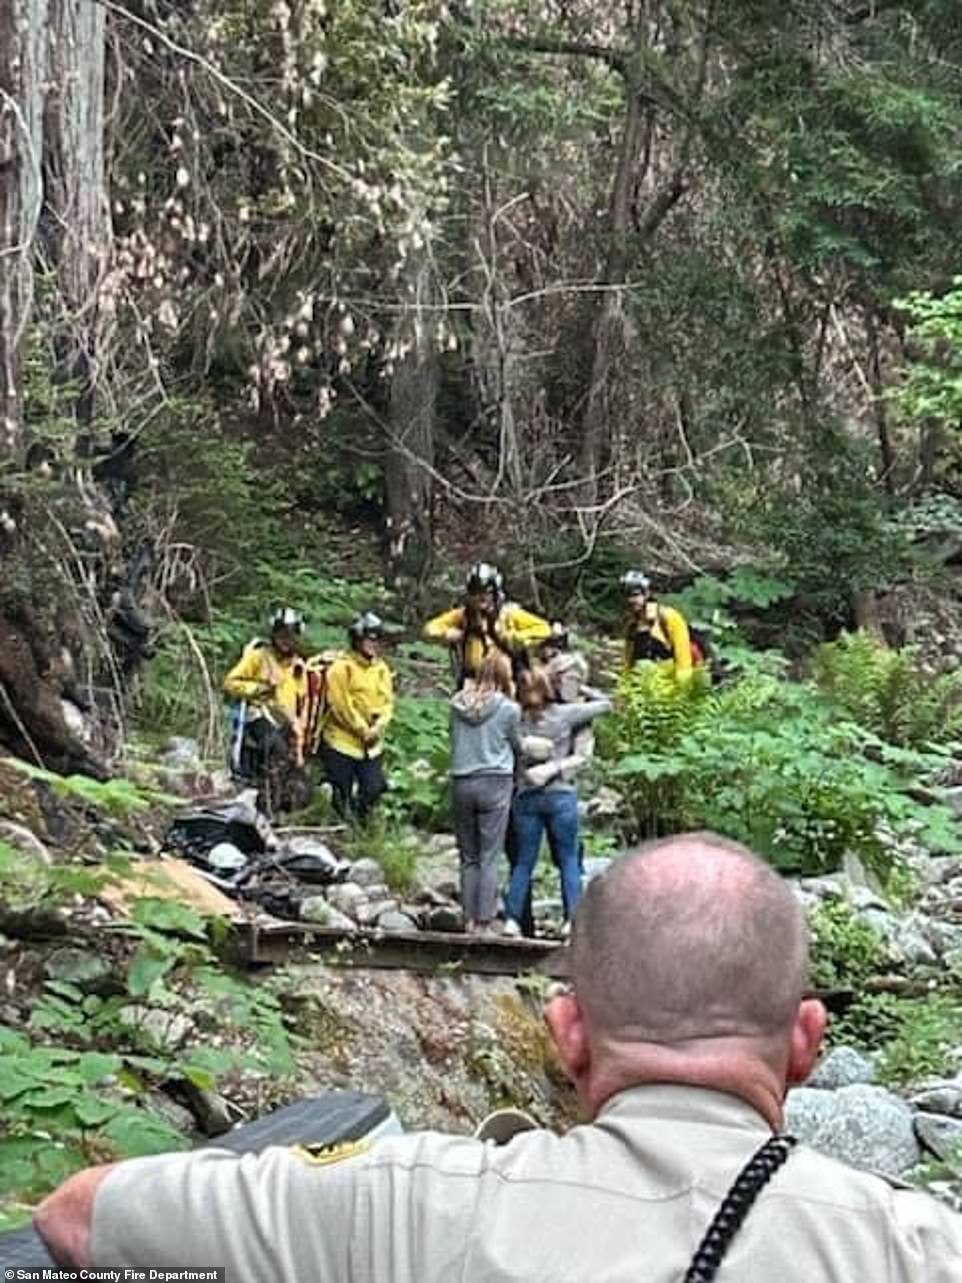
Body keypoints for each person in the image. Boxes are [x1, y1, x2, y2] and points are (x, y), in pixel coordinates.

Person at [35, 832, 962, 1280]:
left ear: (568, 1034)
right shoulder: (916, 1246)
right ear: (806, 1044)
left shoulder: (400, 1198)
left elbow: (77, 1217)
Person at [503, 666, 610, 937]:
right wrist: (581, 688)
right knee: (568, 860)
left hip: (526, 794)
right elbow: (606, 704)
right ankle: (571, 919)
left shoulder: (515, 717)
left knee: (523, 862)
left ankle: (512, 920)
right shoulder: (565, 715)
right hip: (561, 794)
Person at [448, 651, 520, 934]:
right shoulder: (509, 709)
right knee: (490, 854)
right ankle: (484, 920)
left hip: (462, 780)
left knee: (469, 855)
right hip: (495, 781)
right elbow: (517, 744)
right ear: (505, 675)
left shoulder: (456, 705)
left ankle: (467, 918)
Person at [223, 605, 310, 813]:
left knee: (296, 766)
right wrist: (259, 688)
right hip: (259, 714)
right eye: (282, 634)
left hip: (286, 720)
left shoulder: (298, 667)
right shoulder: (258, 656)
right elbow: (230, 682)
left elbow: (302, 700)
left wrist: (300, 726)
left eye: (291, 635)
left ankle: (285, 803)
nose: (286, 640)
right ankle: (267, 802)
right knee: (275, 748)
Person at [422, 561, 552, 686]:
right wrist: (448, 633)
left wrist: (515, 637)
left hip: (506, 681)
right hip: (473, 681)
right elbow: (430, 628)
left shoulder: (509, 614)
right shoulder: (463, 615)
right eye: (475, 592)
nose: (480, 597)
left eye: (485, 592)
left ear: (495, 593)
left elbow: (544, 629)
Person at [320, 611, 394, 822]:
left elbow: (388, 702)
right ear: (357, 639)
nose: (373, 644)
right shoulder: (341, 669)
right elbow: (340, 704)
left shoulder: (381, 669)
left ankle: (363, 826)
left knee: (373, 789)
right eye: (368, 639)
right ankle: (344, 830)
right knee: (341, 793)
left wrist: (379, 727)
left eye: (376, 639)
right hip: (343, 741)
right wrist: (361, 728)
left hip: (372, 745)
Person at [621, 569, 699, 683]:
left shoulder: (669, 617)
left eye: (635, 595)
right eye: (627, 595)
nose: (631, 600)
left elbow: (684, 662)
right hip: (644, 689)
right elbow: (628, 664)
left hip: (670, 689)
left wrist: (682, 694)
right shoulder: (632, 625)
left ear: (646, 593)